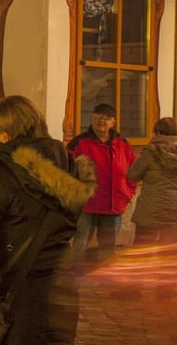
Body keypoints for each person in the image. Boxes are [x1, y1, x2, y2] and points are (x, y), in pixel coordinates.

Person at [0, 95, 91, 345]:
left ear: (4, 135)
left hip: (18, 295)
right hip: (63, 289)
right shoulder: (68, 166)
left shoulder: (0, 172)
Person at [66, 103, 135, 260]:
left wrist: (127, 193)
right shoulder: (79, 143)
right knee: (79, 245)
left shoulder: (123, 144)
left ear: (113, 122)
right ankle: (75, 280)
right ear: (91, 119)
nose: (102, 121)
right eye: (98, 117)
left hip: (113, 204)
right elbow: (66, 169)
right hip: (87, 204)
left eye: (106, 118)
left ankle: (104, 281)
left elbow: (132, 171)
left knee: (108, 249)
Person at [127, 116, 177, 246]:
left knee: (142, 253)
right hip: (176, 212)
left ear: (158, 133)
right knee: (169, 254)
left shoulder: (151, 152)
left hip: (151, 211)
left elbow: (132, 175)